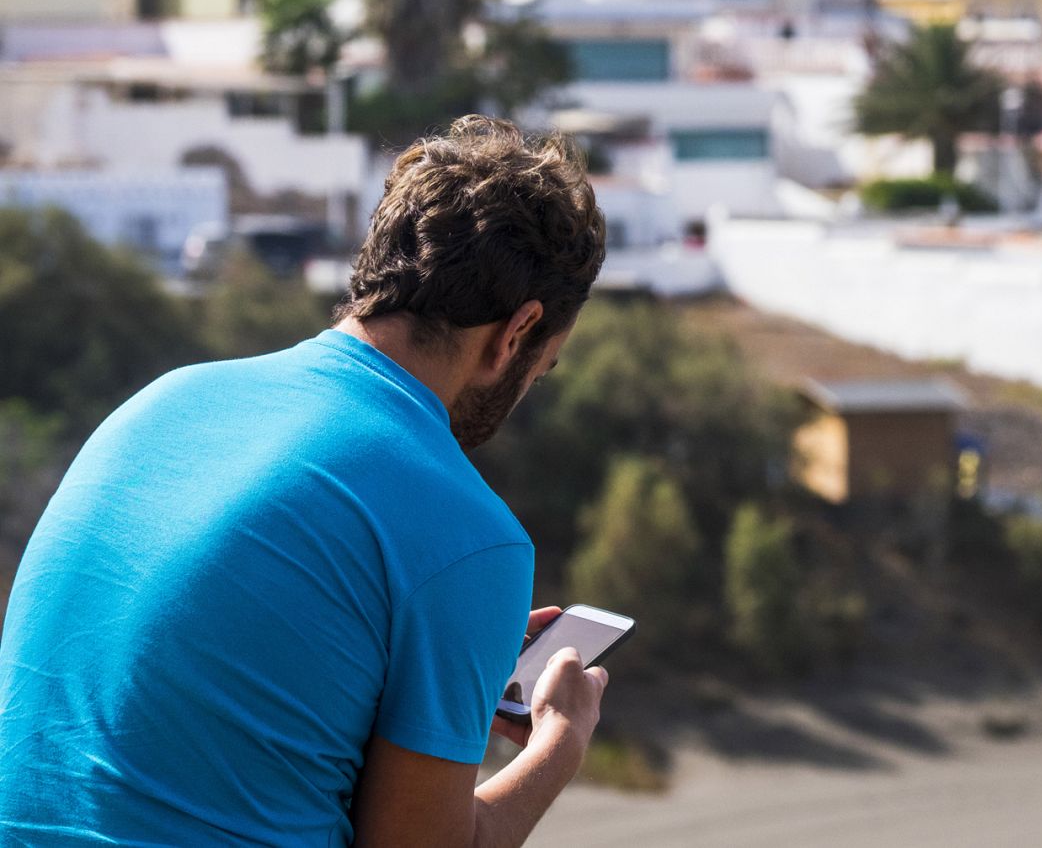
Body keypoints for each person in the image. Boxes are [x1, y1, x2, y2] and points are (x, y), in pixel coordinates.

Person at [0, 115, 609, 846]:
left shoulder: (161, 402)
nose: (531, 382)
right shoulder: (470, 538)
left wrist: (438, 673)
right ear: (518, 332)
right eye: (545, 365)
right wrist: (558, 745)